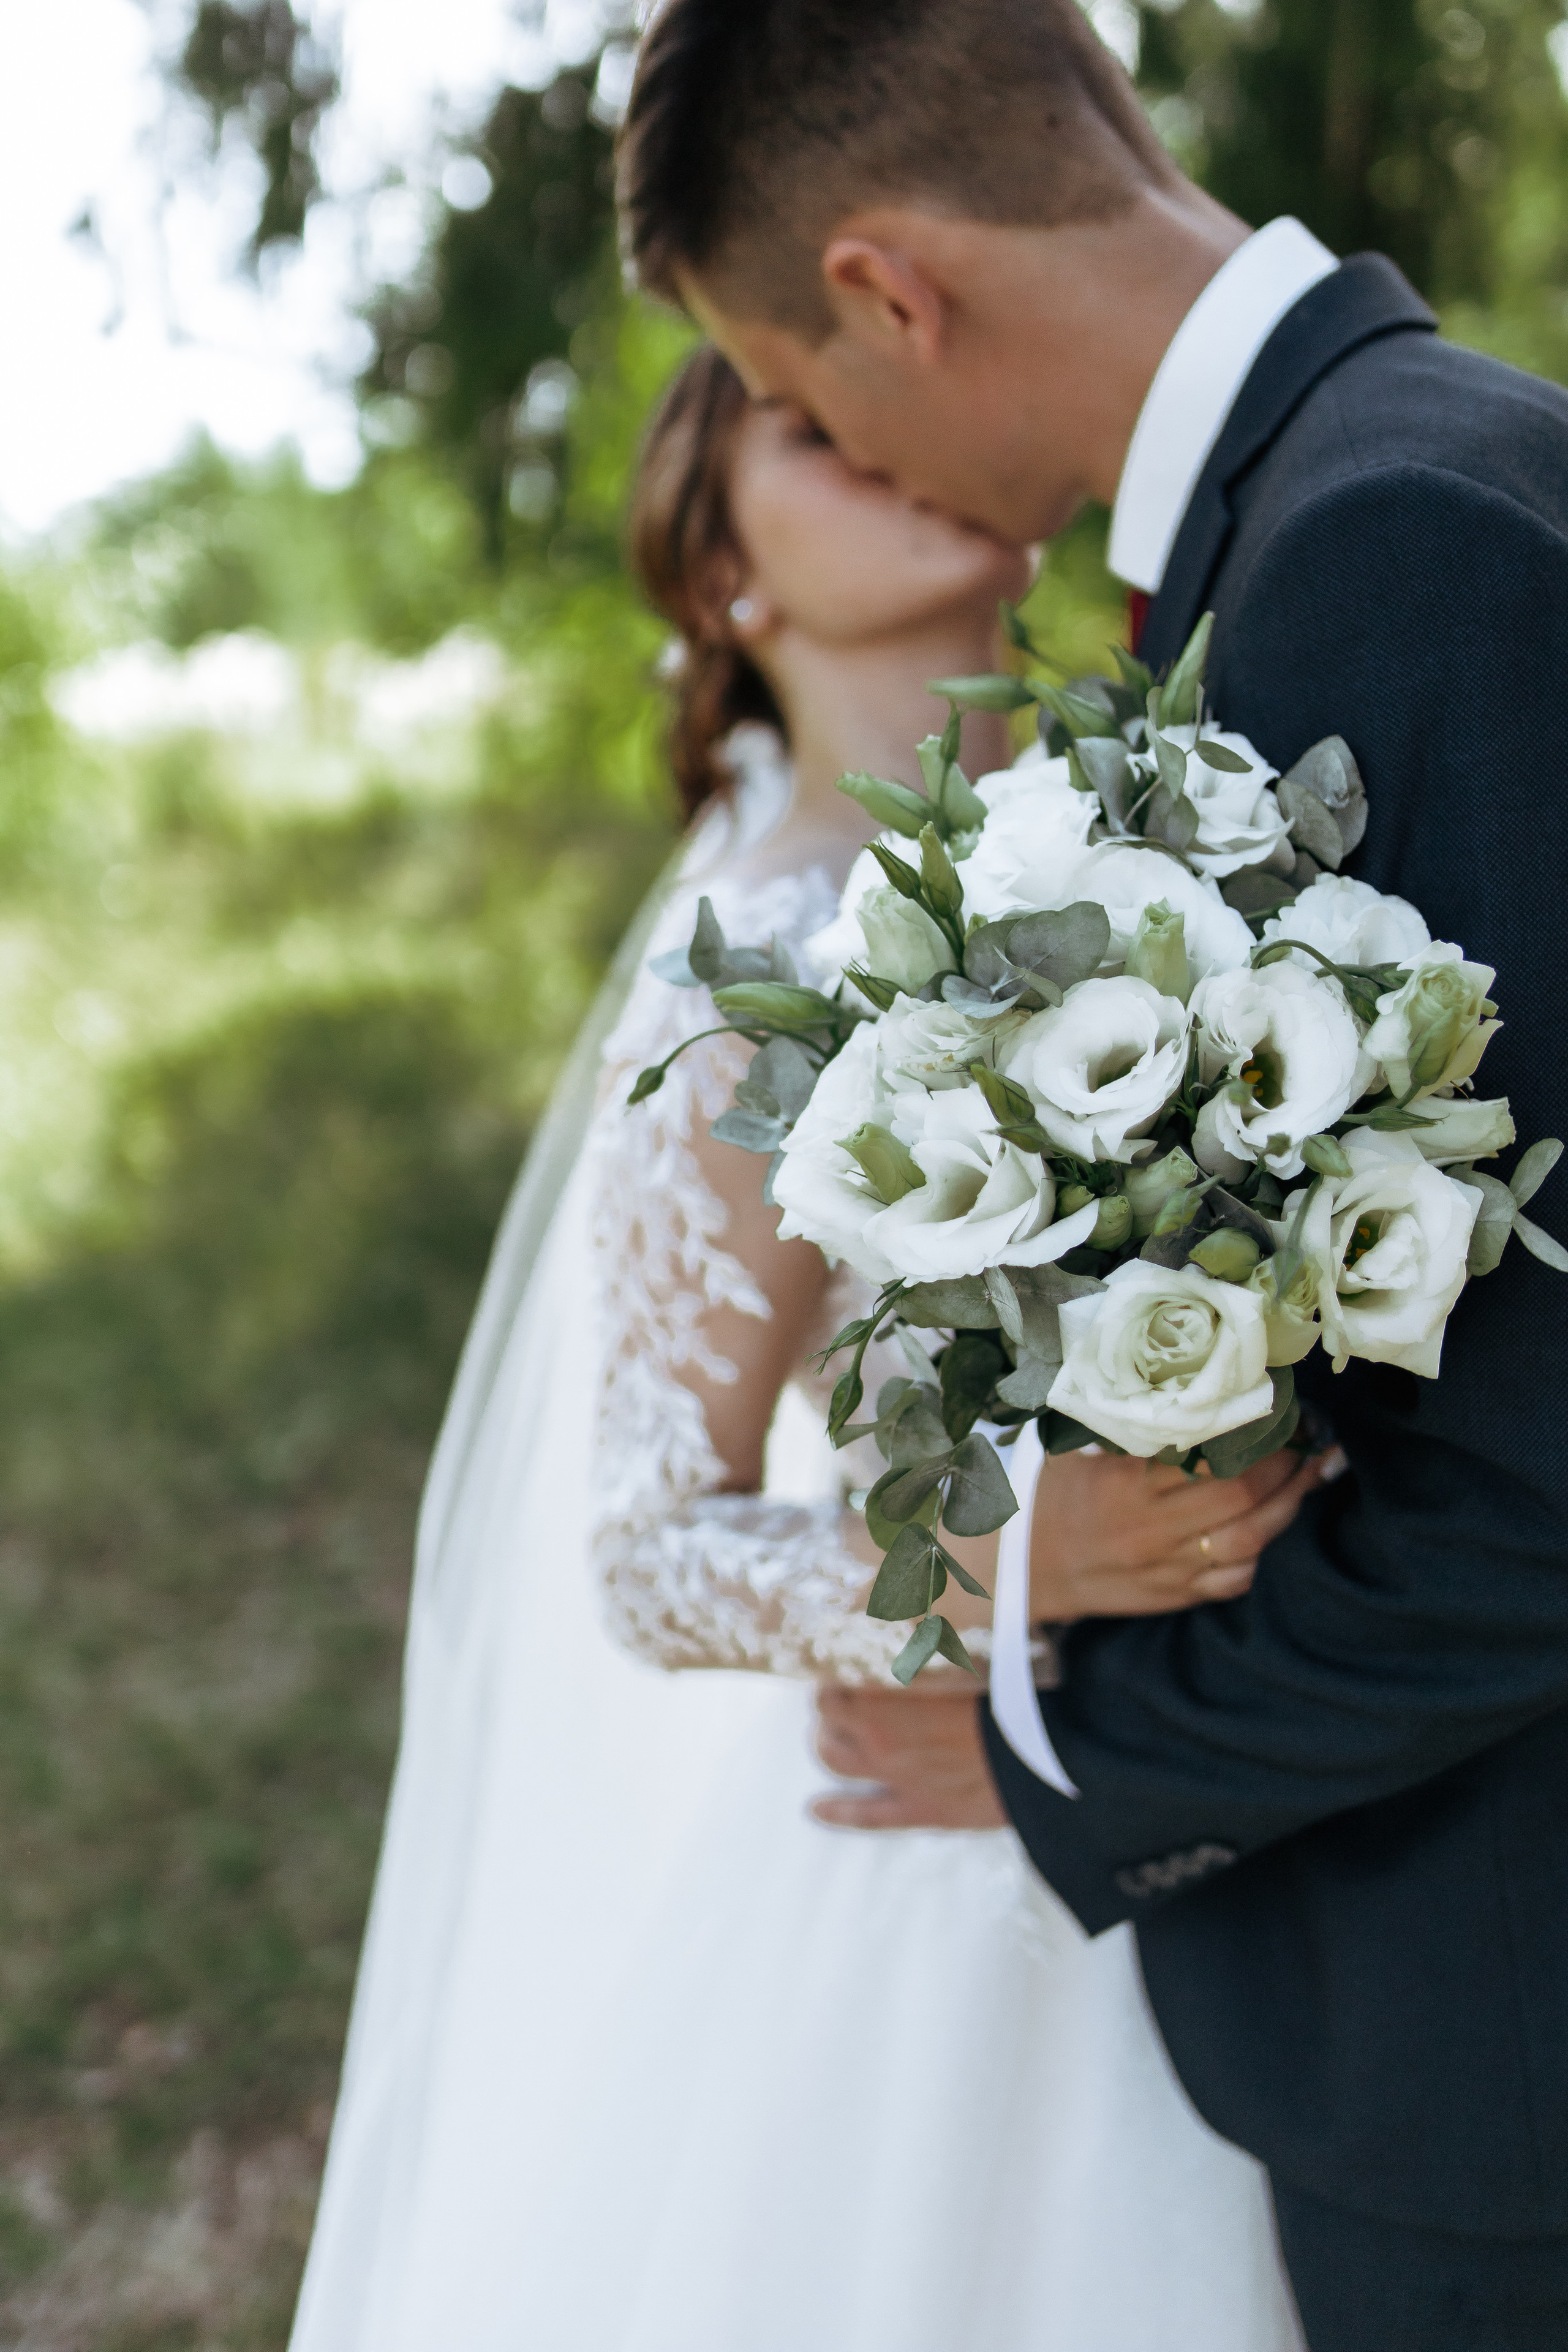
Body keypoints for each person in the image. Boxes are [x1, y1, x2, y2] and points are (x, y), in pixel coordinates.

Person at [615, 6, 1568, 2349]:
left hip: (1501, 2061)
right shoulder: (1392, 478)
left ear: (887, 291)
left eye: (810, 392)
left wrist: (1070, 1752)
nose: (855, 453)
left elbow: (1538, 1481)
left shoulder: (1387, 549)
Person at [286, 340, 1328, 2350]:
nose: (877, 432)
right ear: (722, 572)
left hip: (1272, 1787)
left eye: (891, 389)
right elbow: (647, 1550)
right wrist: (1015, 1570)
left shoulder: (1183, 831)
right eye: (801, 421)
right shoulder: (743, 977)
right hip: (961, 1888)